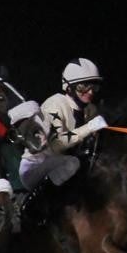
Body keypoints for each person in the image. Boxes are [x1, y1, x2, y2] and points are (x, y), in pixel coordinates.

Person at [18, 58, 108, 223]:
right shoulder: (55, 104)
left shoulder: (90, 109)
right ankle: (35, 204)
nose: (90, 91)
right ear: (69, 87)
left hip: (62, 165)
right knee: (72, 162)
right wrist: (89, 128)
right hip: (36, 166)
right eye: (83, 86)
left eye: (94, 86)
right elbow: (56, 144)